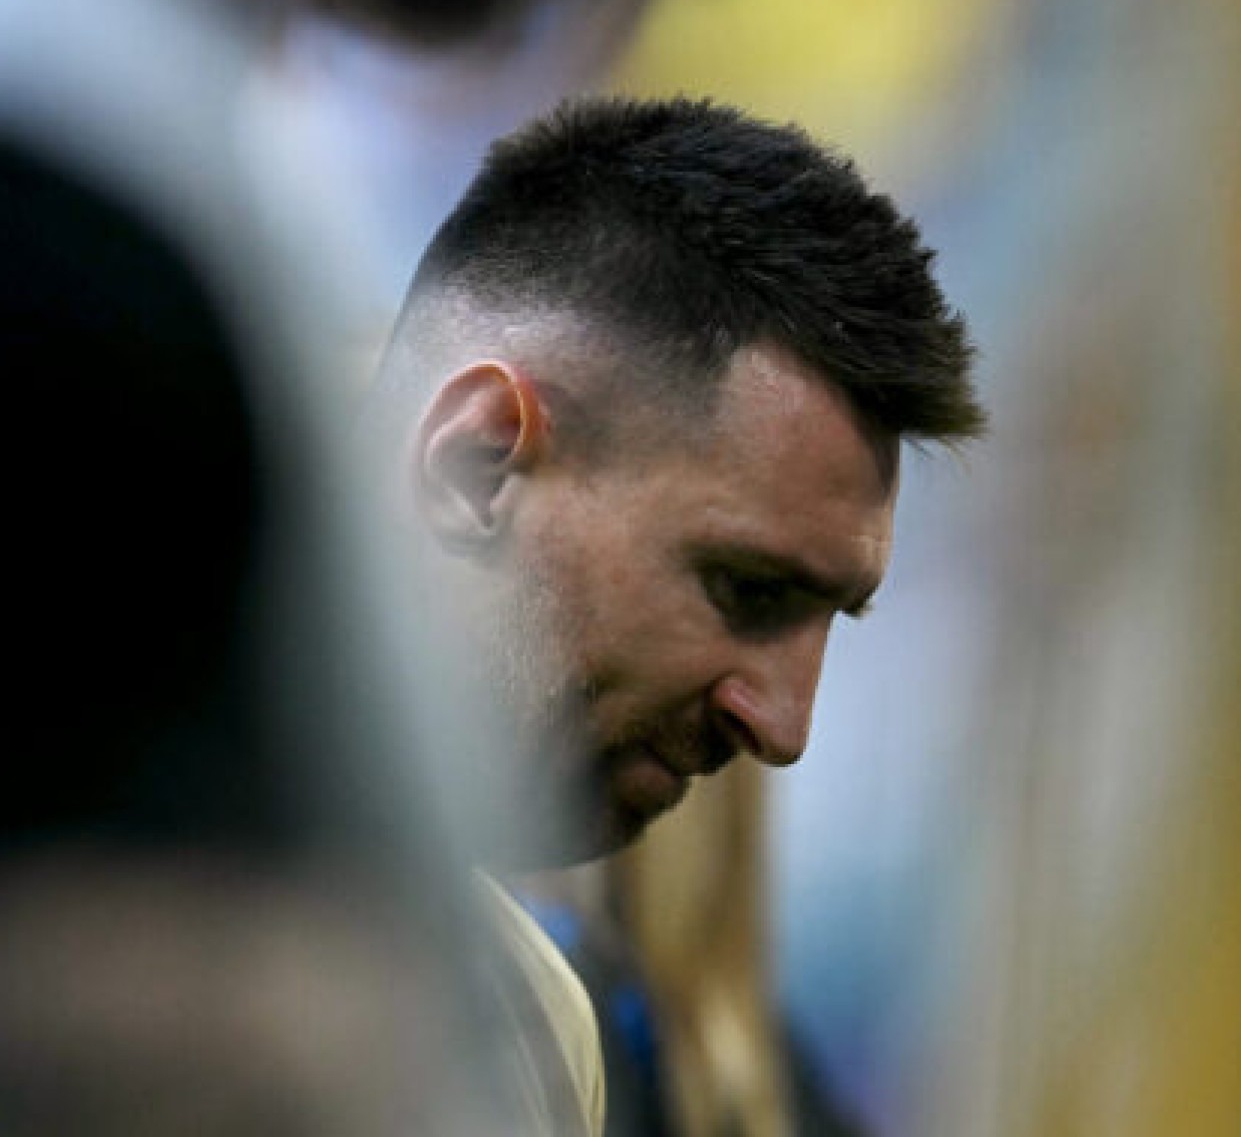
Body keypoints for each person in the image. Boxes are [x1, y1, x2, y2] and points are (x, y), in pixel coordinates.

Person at [364, 94, 985, 1132]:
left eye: (836, 617)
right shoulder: (67, 845)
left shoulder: (535, 1029)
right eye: (749, 590)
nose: (785, 728)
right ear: (474, 464)